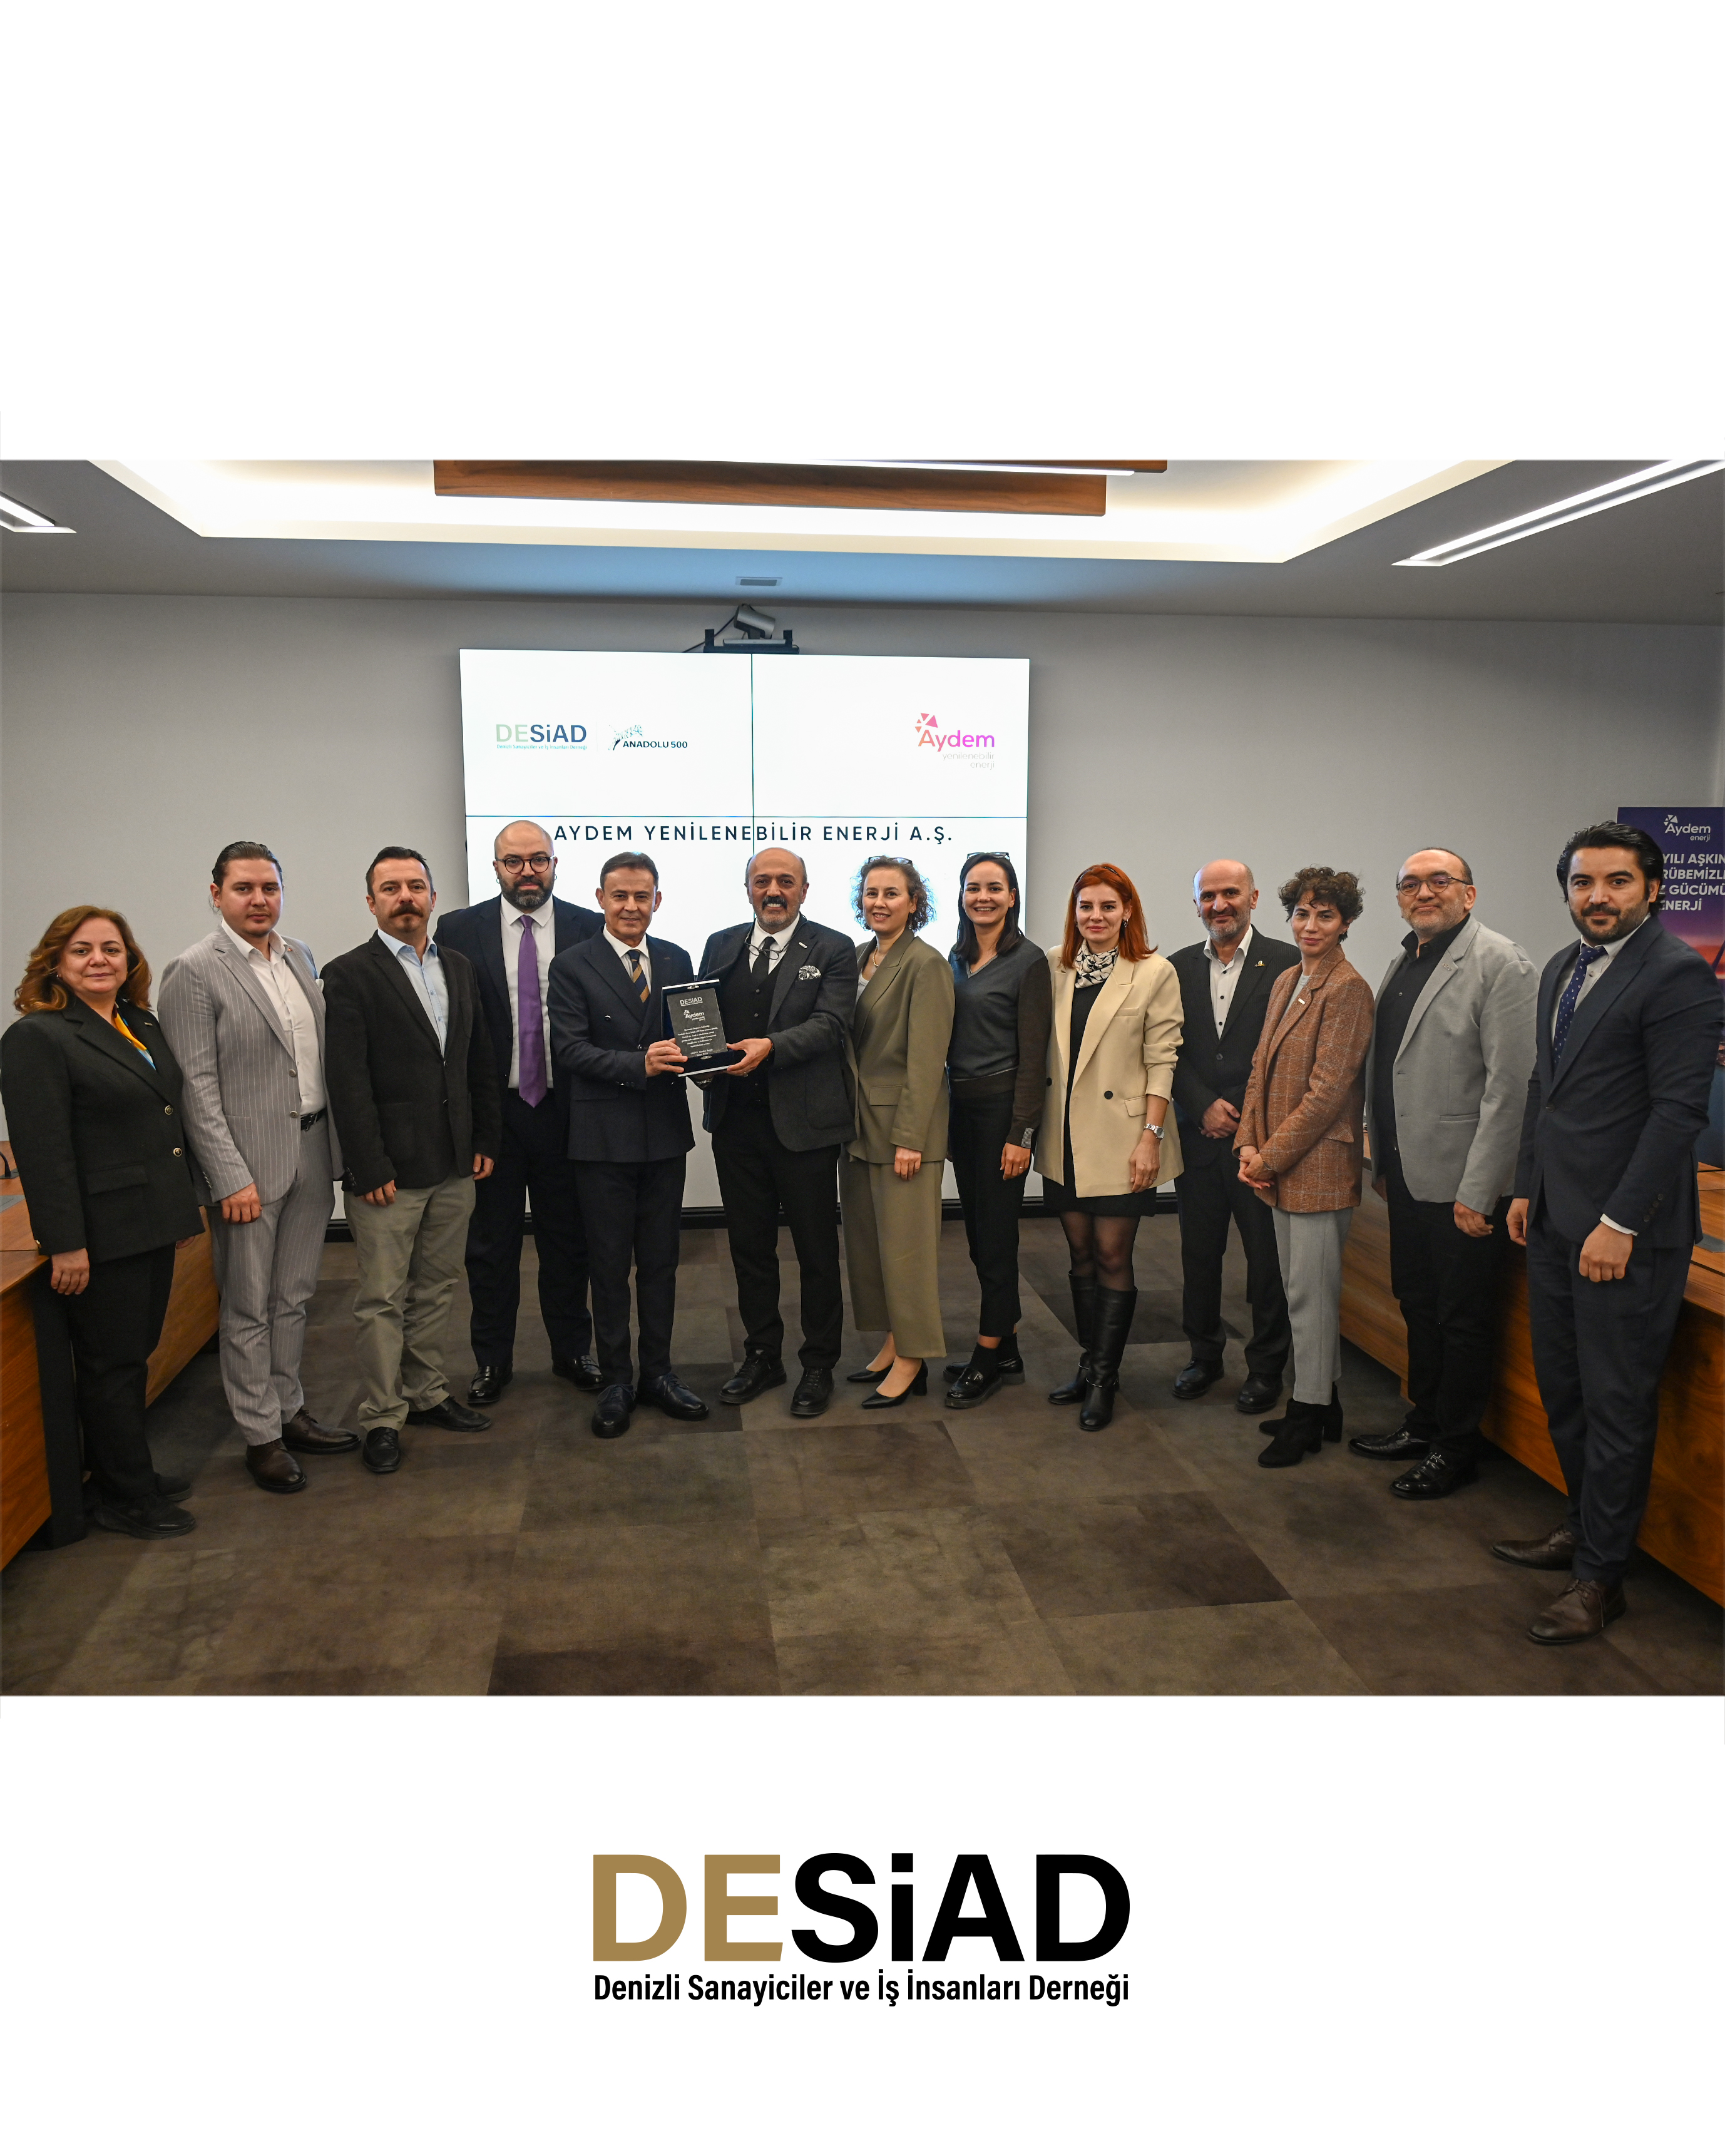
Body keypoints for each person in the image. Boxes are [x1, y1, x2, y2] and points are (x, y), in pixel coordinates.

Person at [1495, 822, 1718, 1645]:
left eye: (1617, 881)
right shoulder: (1564, 966)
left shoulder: (1677, 973)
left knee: (1616, 1405)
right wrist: (1526, 1185)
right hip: (1555, 1219)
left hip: (1627, 1234)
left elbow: (1677, 1114)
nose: (1598, 897)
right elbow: (1544, 1089)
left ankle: (1600, 1579)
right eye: (1583, 882)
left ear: (1652, 889)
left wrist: (1619, 1221)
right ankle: (1583, 1526)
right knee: (1565, 1391)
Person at [158, 841, 357, 1495]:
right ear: (216, 894)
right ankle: (260, 1435)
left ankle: (289, 1409)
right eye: (243, 888)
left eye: (269, 887)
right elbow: (195, 1087)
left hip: (310, 1149)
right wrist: (227, 1176)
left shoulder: (298, 954)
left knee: (293, 1296)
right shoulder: (193, 970)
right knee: (247, 1306)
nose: (259, 899)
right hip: (246, 1168)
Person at [1, 909, 205, 1538]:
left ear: (128, 959)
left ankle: (124, 1470)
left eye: (111, 949)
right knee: (111, 1365)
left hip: (150, 1219)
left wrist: (178, 1205)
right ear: (55, 963)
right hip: (102, 1231)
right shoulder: (38, 1038)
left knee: (133, 1355)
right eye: (82, 949)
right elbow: (44, 1151)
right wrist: (65, 1244)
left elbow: (163, 1117)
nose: (99, 960)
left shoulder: (137, 1021)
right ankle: (125, 1495)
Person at [1353, 849, 1537, 1498]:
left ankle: (1457, 1448)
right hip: (1407, 1173)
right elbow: (1393, 1066)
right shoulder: (1406, 959)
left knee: (1461, 1318)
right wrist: (1382, 1159)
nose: (1423, 892)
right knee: (1418, 1301)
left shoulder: (1501, 963)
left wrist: (1479, 1191)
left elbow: (1509, 1090)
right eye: (1410, 884)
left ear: (1469, 893)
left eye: (1439, 881)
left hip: (1462, 1183)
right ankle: (1424, 1421)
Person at [322, 849, 501, 1473]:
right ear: (371, 901)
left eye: (416, 886)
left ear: (432, 897)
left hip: (455, 1161)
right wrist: (368, 1166)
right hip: (388, 1174)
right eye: (391, 887)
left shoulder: (459, 966)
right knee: (382, 1297)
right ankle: (382, 1414)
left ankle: (426, 1393)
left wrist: (485, 1138)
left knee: (438, 1286)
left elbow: (478, 1060)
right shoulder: (348, 974)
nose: (406, 897)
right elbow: (347, 1081)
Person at [434, 819, 604, 1406]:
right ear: (496, 867)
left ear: (555, 864)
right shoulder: (458, 929)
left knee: (569, 1241)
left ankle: (572, 1350)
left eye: (538, 859)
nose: (527, 871)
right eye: (514, 861)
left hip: (568, 1110)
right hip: (496, 1114)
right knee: (491, 1246)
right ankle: (492, 1359)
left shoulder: (589, 925)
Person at [547, 851, 709, 1440]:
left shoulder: (676, 957)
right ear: (600, 899)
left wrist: (711, 1060)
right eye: (620, 896)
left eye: (643, 896)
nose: (632, 907)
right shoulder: (571, 965)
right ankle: (617, 1379)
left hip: (664, 1134)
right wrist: (639, 1063)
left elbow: (695, 1037)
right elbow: (569, 1049)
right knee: (610, 1266)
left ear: (657, 900)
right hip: (602, 1139)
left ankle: (658, 1373)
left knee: (662, 1263)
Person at [695, 847, 858, 1420]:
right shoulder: (719, 944)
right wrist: (699, 1062)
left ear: (804, 891)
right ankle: (763, 1354)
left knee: (816, 1250)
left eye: (785, 881)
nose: (773, 890)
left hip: (805, 1126)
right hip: (736, 1123)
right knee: (750, 1249)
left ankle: (819, 1361)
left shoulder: (833, 948)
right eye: (762, 880)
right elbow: (700, 1020)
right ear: (747, 889)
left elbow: (832, 1025)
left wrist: (770, 1047)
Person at [1037, 863, 1184, 1431]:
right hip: (1065, 1136)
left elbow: (1162, 1059)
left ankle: (1105, 1377)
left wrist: (1152, 1137)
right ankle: (1089, 1361)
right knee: (1078, 1255)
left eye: (1107, 906)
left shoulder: (1153, 971)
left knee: (1112, 1256)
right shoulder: (1055, 965)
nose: (1095, 916)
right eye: (1085, 906)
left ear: (1127, 912)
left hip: (1125, 1138)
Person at [1234, 868, 1374, 1466]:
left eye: (1325, 915)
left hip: (1317, 1167)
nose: (1310, 925)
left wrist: (1268, 1155)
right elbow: (1260, 1068)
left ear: (1346, 923)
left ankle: (1307, 1412)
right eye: (1302, 914)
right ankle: (1326, 1403)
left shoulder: (1348, 989)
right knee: (1299, 1292)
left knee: (1311, 1299)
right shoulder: (1288, 978)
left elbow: (1327, 1095)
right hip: (1278, 1160)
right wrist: (1247, 1142)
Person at [1167, 859, 1299, 1414]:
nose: (1219, 905)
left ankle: (1266, 1367)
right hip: (1198, 1138)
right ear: (1197, 903)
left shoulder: (1288, 962)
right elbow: (1167, 1049)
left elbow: (1291, 1053)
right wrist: (1200, 1103)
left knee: (1266, 1262)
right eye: (1208, 896)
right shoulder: (1175, 968)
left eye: (1230, 893)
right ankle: (1204, 1355)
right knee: (1199, 1256)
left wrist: (1243, 1117)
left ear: (1254, 898)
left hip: (1260, 1144)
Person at [843, 856, 954, 1408]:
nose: (879, 902)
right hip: (859, 1126)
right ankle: (892, 1341)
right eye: (871, 893)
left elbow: (927, 1060)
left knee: (907, 1253)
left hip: (903, 1132)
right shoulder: (859, 957)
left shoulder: (926, 963)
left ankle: (914, 1357)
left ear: (914, 902)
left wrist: (911, 1136)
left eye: (892, 893)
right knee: (872, 1248)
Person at [942, 852, 1052, 1408]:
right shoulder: (956, 957)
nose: (982, 897)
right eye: (973, 887)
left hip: (1001, 1114)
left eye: (994, 887)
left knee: (997, 1237)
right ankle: (1006, 1346)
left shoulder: (1028, 961)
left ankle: (987, 1354)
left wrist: (1021, 1134)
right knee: (978, 1234)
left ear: (1012, 897)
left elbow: (1035, 1058)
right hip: (961, 1111)